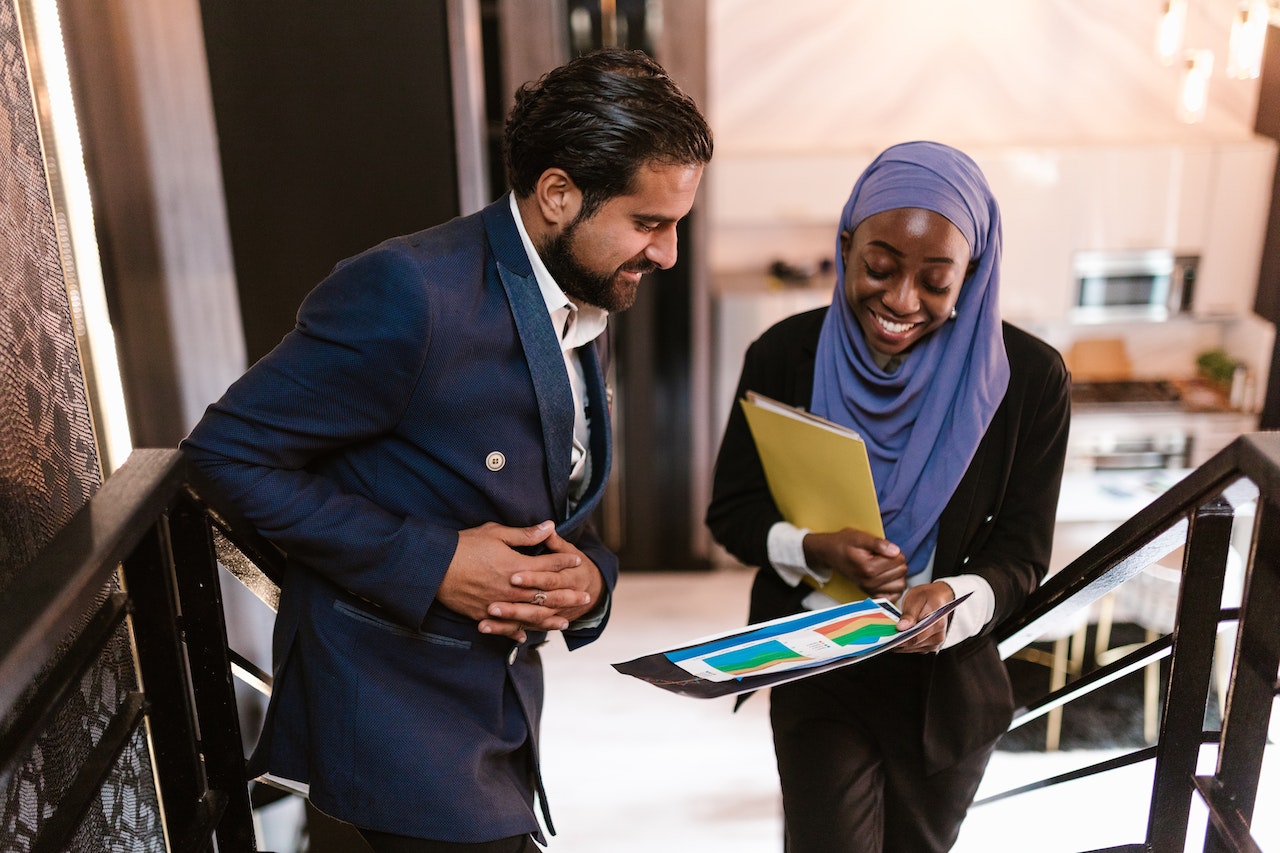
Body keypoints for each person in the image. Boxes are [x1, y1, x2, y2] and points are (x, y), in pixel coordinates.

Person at [182, 47, 712, 853]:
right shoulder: (408, 291)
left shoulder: (576, 293)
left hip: (492, 712)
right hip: (398, 719)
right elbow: (222, 455)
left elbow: (558, 506)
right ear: (559, 194)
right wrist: (433, 561)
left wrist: (590, 580)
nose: (669, 254)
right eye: (649, 223)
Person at [705, 141, 1070, 853]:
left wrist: (953, 598)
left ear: (975, 274)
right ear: (845, 247)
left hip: (947, 689)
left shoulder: (1029, 381)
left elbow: (1022, 555)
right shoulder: (783, 354)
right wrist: (814, 547)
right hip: (819, 659)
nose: (901, 301)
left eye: (936, 281)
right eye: (879, 267)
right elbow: (733, 511)